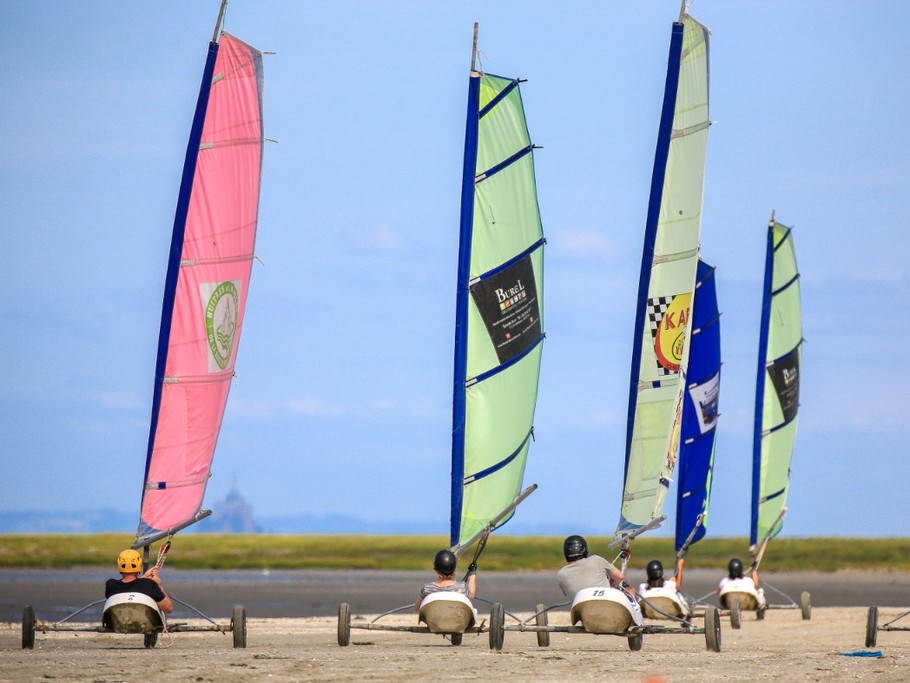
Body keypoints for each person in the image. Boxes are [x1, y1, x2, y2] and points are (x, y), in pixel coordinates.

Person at [105, 549, 173, 614]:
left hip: (117, 625)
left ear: (119, 564)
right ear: (139, 564)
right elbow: (168, 608)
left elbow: (131, 586)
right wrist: (158, 585)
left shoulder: (110, 585)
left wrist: (145, 577)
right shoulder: (149, 585)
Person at [556, 535, 626, 597]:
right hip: (606, 605)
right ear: (584, 550)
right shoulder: (596, 559)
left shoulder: (561, 574)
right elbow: (620, 576)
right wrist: (611, 585)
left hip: (582, 610)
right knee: (631, 591)